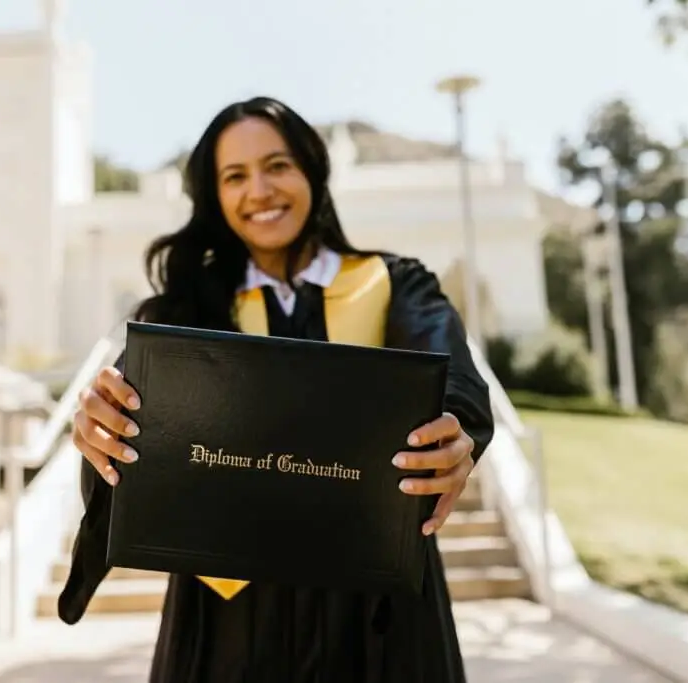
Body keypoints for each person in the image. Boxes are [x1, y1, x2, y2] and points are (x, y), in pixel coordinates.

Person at [59, 95, 495, 683]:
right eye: (235, 176)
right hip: (229, 616)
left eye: (278, 165)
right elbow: (130, 445)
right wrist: (100, 430)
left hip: (378, 615)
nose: (259, 190)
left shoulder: (394, 285)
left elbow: (454, 383)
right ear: (215, 197)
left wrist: (455, 433)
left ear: (313, 170)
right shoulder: (183, 313)